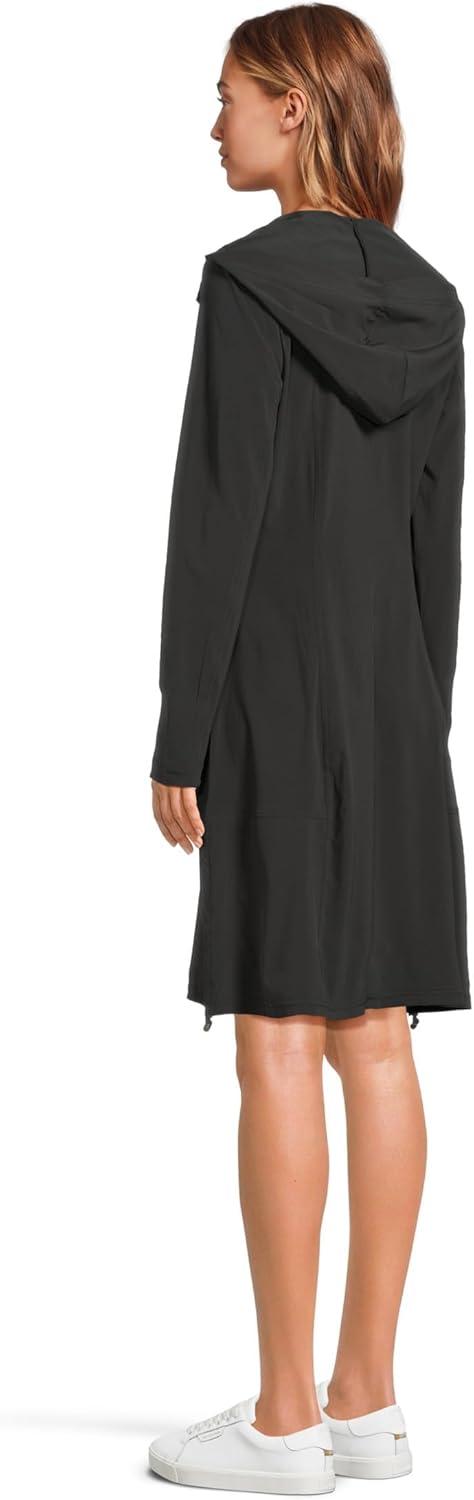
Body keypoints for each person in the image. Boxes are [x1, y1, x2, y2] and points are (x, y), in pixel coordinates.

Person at [148, 5, 471, 1491]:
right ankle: (369, 1405)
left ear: (291, 104)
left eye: (226, 96)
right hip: (395, 704)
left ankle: (283, 1424)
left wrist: (182, 730)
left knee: (279, 1031)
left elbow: (214, 521)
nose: (211, 124)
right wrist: (420, 723)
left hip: (272, 693)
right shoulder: (434, 303)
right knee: (377, 1035)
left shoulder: (248, 284)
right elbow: (434, 546)